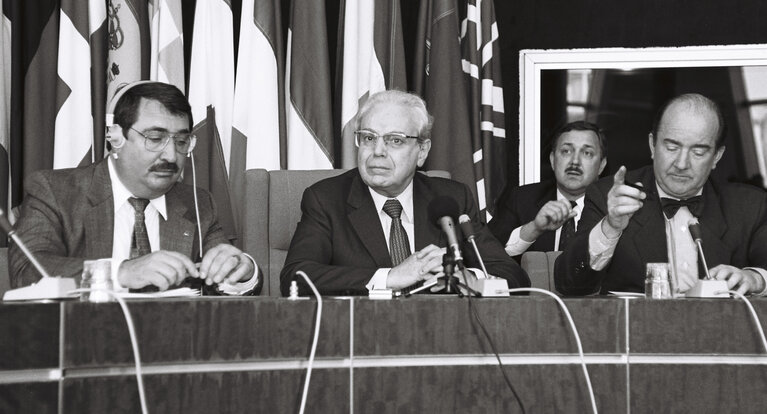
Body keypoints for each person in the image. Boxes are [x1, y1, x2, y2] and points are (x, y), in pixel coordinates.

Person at [9, 81, 261, 295]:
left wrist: (242, 271)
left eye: (182, 141)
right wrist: (121, 272)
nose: (172, 156)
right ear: (116, 138)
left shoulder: (198, 203)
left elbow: (222, 278)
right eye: (155, 139)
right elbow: (28, 271)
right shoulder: (55, 191)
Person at [279, 90, 529, 296]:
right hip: (359, 341)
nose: (377, 151)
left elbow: (512, 276)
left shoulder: (451, 200)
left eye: (395, 140)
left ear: (422, 151)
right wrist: (390, 277)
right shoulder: (325, 199)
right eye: (368, 138)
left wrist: (467, 278)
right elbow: (297, 277)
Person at [555, 93, 767, 296]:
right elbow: (569, 284)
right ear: (652, 145)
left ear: (716, 157)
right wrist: (610, 227)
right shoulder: (608, 196)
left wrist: (756, 279)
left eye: (698, 152)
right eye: (672, 147)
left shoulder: (750, 207)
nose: (682, 164)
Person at [489, 121, 607, 259]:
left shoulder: (613, 209)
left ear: (601, 165)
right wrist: (534, 228)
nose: (575, 161)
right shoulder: (522, 199)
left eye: (587, 153)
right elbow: (487, 254)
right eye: (566, 151)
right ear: (552, 160)